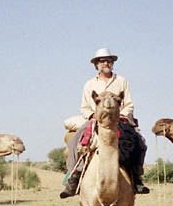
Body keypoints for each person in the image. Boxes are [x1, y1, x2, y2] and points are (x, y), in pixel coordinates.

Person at [60, 48, 149, 198]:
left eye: (109, 60)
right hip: (96, 120)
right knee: (75, 141)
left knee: (140, 142)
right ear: (96, 65)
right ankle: (74, 177)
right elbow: (84, 108)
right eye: (102, 60)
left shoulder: (122, 81)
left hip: (119, 120)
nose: (106, 63)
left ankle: (137, 178)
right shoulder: (89, 84)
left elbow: (129, 104)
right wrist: (94, 114)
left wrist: (121, 115)